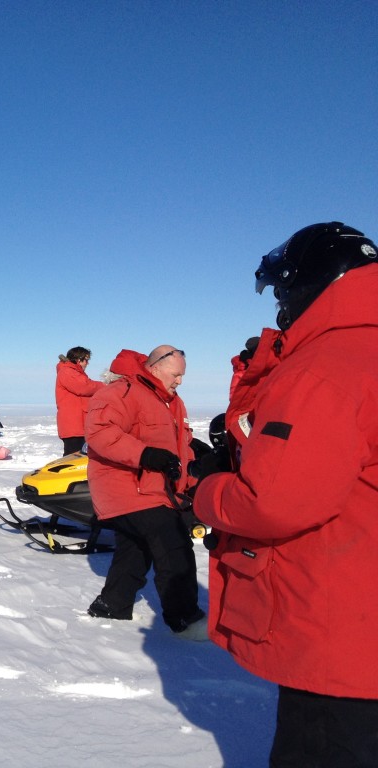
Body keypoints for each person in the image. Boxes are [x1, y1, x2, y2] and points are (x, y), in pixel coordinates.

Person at [193, 222, 378, 765]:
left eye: (281, 291)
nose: (279, 304)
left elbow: (275, 502)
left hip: (339, 626)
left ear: (313, 285)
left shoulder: (324, 367)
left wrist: (207, 490)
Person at [83, 345, 206, 639]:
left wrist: (191, 480)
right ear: (155, 367)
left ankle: (112, 604)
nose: (179, 381)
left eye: (182, 376)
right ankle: (185, 620)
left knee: (135, 549)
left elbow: (179, 450)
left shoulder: (172, 402)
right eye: (176, 375)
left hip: (154, 490)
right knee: (172, 543)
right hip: (125, 487)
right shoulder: (121, 391)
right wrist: (144, 455)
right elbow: (100, 432)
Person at [55, 346, 105, 455]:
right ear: (79, 360)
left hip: (79, 425)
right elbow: (85, 387)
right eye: (86, 360)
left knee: (80, 458)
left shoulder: (75, 372)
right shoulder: (68, 372)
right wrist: (105, 386)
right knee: (73, 459)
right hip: (74, 426)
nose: (87, 363)